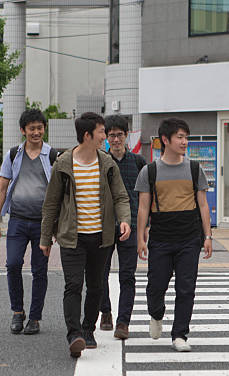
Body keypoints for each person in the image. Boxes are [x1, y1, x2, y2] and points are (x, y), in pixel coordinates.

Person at [39, 112, 131, 358]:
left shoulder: (107, 163)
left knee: (96, 286)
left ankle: (88, 329)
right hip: (72, 237)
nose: (106, 136)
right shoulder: (64, 163)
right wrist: (45, 238)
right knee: (73, 284)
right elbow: (51, 204)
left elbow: (121, 196)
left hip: (101, 237)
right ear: (88, 135)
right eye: (102, 132)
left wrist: (124, 220)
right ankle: (74, 334)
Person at [135, 117, 213, 353]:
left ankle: (180, 334)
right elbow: (143, 208)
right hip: (160, 235)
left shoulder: (193, 168)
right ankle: (156, 314)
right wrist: (140, 238)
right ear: (165, 140)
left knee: (186, 287)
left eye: (186, 137)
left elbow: (202, 205)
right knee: (156, 286)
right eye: (180, 137)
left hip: (189, 236)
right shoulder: (150, 171)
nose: (184, 141)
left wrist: (208, 236)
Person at [0, 108, 55, 336]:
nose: (36, 132)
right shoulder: (13, 155)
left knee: (40, 270)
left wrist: (55, 225)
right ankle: (18, 312)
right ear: (23, 131)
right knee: (13, 264)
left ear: (44, 129)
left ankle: (35, 318)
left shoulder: (52, 156)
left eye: (39, 128)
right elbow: (2, 187)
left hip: (42, 223)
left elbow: (59, 192)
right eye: (32, 128)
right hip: (17, 220)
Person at [98, 115, 146, 339]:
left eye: (119, 135)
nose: (115, 139)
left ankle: (123, 322)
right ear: (106, 137)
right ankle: (105, 311)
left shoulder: (138, 162)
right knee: (100, 273)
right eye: (111, 135)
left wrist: (146, 227)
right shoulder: (101, 161)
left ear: (127, 136)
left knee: (127, 275)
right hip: (104, 225)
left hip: (133, 225)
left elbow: (146, 198)